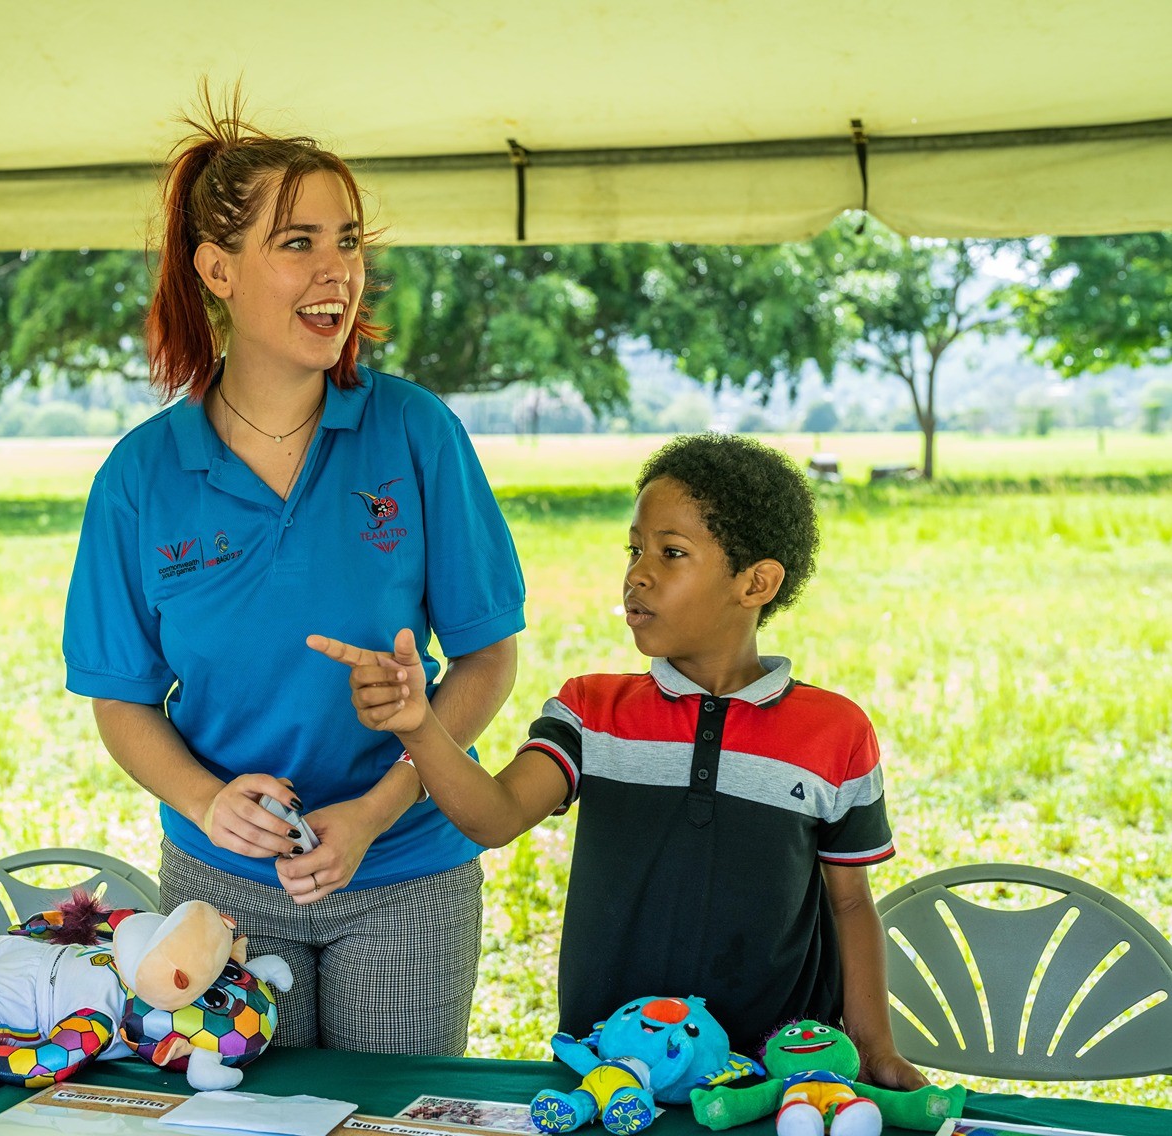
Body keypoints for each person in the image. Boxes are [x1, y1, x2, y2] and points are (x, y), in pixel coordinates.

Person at [61, 94, 525, 1055]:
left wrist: (375, 810)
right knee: (243, 1117)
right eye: (298, 242)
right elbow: (120, 700)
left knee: (387, 1118)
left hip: (405, 871)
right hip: (221, 884)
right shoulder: (140, 476)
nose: (336, 271)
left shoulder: (416, 432)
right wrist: (206, 802)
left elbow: (486, 660)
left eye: (347, 242)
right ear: (217, 270)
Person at [310, 434, 927, 1088]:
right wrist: (420, 724)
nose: (637, 573)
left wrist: (874, 1048)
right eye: (634, 550)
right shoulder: (592, 711)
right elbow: (494, 817)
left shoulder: (834, 732)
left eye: (671, 552)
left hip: (776, 1081)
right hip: (612, 1075)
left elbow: (850, 905)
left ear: (756, 583)